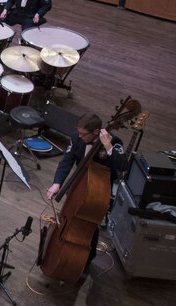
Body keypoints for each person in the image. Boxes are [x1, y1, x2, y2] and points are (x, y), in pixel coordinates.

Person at [46, 112, 127, 281]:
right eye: (79, 132)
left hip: (97, 194)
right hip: (78, 188)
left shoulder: (114, 142)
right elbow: (67, 161)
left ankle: (85, 260)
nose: (79, 136)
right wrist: (57, 183)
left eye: (84, 134)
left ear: (96, 132)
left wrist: (108, 146)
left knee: (90, 225)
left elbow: (123, 166)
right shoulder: (77, 138)